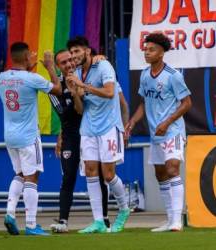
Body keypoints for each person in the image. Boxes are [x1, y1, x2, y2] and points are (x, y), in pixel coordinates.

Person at [49, 49, 124, 233]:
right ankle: (64, 221)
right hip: (72, 135)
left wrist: (123, 124)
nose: (69, 64)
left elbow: (115, 96)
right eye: (64, 62)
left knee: (104, 175)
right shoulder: (56, 87)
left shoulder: (92, 71)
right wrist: (73, 92)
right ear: (58, 67)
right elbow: (65, 115)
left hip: (94, 129)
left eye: (70, 60)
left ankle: (106, 218)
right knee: (70, 176)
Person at [125, 32, 192, 232]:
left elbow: (187, 103)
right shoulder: (145, 75)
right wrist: (132, 122)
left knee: (172, 169)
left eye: (151, 49)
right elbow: (144, 103)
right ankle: (170, 219)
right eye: (145, 49)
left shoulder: (174, 75)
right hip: (156, 134)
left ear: (162, 53)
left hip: (173, 131)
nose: (146, 52)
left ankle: (178, 220)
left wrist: (168, 121)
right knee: (160, 174)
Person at [66, 36, 130, 234]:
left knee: (109, 175)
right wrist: (75, 92)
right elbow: (79, 110)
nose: (74, 56)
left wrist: (82, 86)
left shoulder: (104, 66)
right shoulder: (76, 73)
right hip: (88, 128)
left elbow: (110, 93)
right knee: (91, 172)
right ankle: (99, 221)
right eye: (72, 53)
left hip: (109, 126)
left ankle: (124, 209)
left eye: (77, 51)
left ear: (87, 51)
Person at [0, 42, 61, 236]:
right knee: (32, 177)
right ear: (26, 57)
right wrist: (50, 67)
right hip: (28, 136)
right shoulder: (33, 78)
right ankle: (31, 225)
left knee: (20, 174)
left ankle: (10, 213)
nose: (34, 56)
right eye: (31, 54)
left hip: (9, 136)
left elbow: (20, 78)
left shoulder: (2, 77)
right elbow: (57, 90)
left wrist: (29, 67)